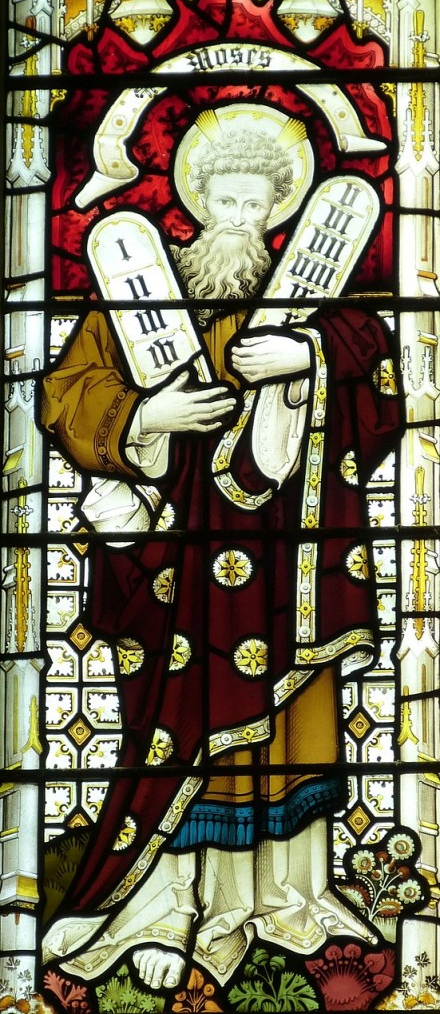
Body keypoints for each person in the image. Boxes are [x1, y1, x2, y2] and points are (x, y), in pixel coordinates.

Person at [41, 121, 401, 989]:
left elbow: (380, 374)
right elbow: (66, 392)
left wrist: (307, 355)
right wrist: (146, 418)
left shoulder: (309, 294)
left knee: (290, 723)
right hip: (170, 563)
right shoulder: (139, 289)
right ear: (197, 203)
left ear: (280, 211)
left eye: (256, 204)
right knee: (176, 720)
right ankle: (167, 906)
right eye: (224, 200)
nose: (238, 217)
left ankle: (287, 895)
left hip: (289, 560)